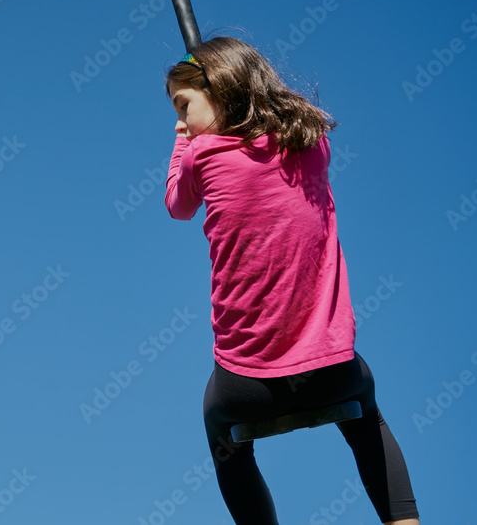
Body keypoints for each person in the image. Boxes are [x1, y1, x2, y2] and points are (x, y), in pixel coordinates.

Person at [163, 37, 420, 525]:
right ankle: (404, 521)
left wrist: (185, 141)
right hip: (331, 368)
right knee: (367, 416)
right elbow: (274, 119)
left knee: (220, 428)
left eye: (183, 106)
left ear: (220, 91)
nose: (179, 121)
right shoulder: (312, 142)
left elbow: (177, 205)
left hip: (247, 384)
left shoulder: (202, 156)